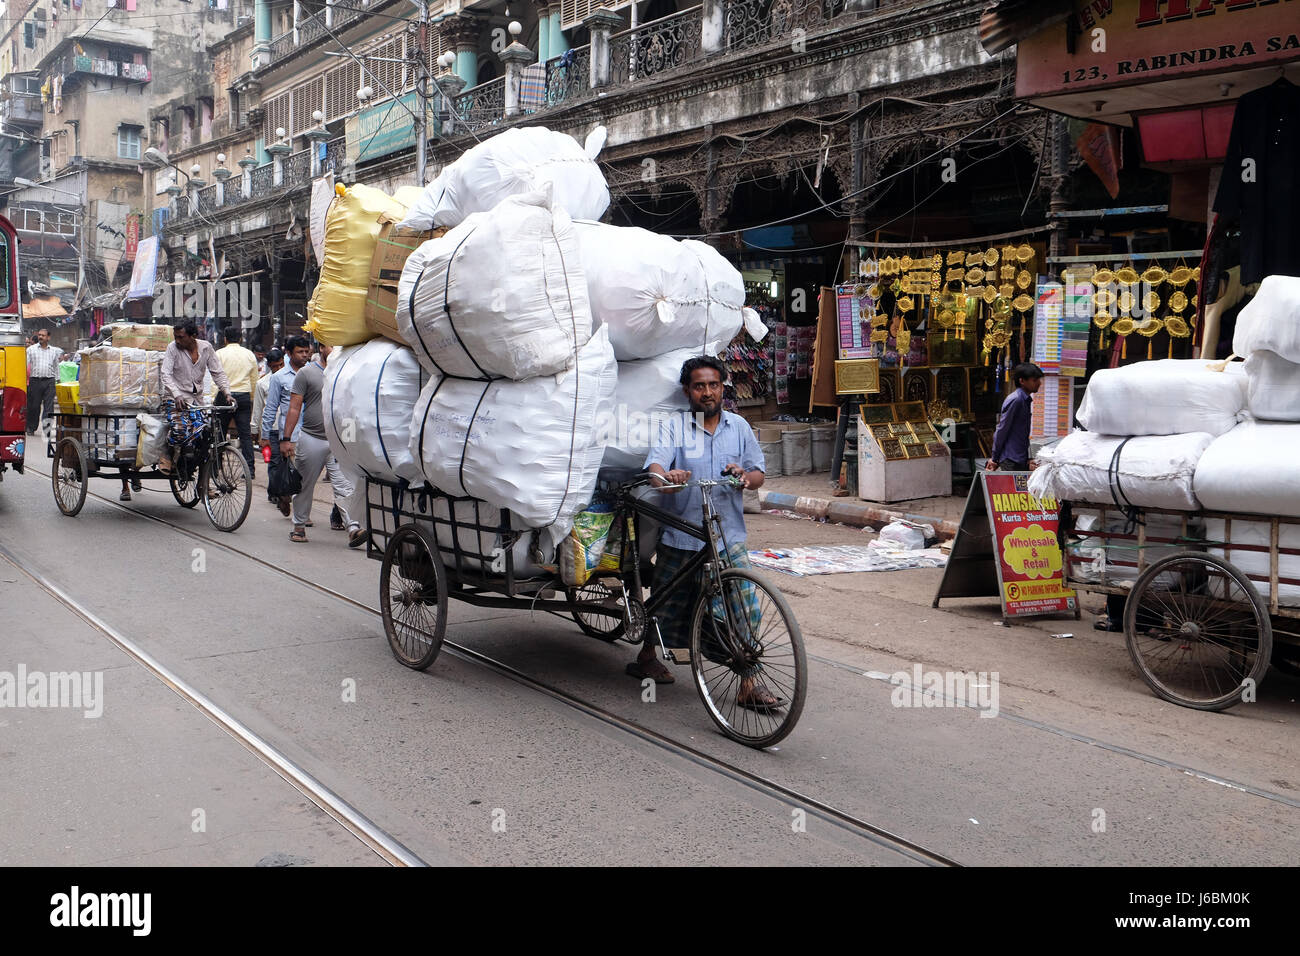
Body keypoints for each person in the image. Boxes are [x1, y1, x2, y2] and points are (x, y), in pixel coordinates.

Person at [630, 356, 781, 711]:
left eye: (713, 385)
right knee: (666, 604)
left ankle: (748, 681)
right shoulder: (674, 428)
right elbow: (655, 470)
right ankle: (647, 655)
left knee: (743, 608)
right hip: (683, 536)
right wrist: (669, 477)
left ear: (723, 388)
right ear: (688, 391)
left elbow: (758, 473)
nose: (707, 392)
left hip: (728, 537)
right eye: (700, 386)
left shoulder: (740, 427)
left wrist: (744, 476)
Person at [279, 343, 364, 545]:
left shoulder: (347, 371)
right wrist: (286, 438)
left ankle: (353, 527)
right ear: (320, 348)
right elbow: (294, 407)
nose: (334, 350)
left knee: (345, 486)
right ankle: (299, 527)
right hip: (311, 438)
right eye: (330, 345)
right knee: (304, 486)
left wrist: (350, 442)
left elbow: (352, 406)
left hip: (339, 440)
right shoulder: (306, 373)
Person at [159, 322, 232, 474]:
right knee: (180, 431)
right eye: (175, 337)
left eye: (181, 337)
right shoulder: (172, 348)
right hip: (174, 398)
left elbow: (217, 372)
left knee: (206, 436)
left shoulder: (206, 348)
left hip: (196, 400)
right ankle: (167, 451)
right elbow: (165, 374)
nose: (177, 340)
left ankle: (203, 484)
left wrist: (227, 392)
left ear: (193, 336)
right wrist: (176, 394)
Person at [263, 336, 309, 511]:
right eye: (300, 352)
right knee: (294, 472)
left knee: (307, 474)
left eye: (306, 351)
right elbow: (271, 407)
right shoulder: (279, 377)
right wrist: (265, 435)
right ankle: (289, 501)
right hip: (290, 434)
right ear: (289, 353)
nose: (304, 355)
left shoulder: (313, 372)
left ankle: (299, 509)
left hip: (312, 432)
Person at [216, 326, 259, 477]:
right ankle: (250, 470)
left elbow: (214, 379)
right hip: (243, 395)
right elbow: (254, 379)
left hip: (223, 396)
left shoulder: (219, 354)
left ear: (225, 339)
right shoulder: (249, 355)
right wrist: (251, 398)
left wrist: (211, 398)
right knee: (245, 435)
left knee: (219, 433)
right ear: (240, 339)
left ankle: (216, 467)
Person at [987, 362, 1044, 473]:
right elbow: (1002, 430)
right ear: (1022, 381)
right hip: (1011, 459)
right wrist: (994, 458)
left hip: (1019, 458)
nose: (1039, 383)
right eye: (1035, 380)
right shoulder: (1016, 400)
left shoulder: (1024, 399)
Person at [25, 328, 58, 436]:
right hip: (35, 381)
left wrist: (57, 380)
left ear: (48, 337)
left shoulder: (54, 351)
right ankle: (31, 427)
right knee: (34, 406)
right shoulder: (31, 350)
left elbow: (56, 367)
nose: (40, 337)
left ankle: (46, 430)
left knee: (49, 407)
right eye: (39, 335)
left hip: (49, 381)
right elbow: (25, 364)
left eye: (43, 335)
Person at [252, 347, 283, 449]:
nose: (279, 369)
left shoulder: (293, 379)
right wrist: (254, 430)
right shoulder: (262, 383)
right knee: (273, 461)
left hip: (289, 427)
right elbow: (258, 408)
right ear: (269, 365)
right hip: (271, 428)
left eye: (281, 365)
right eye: (275, 366)